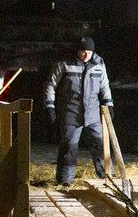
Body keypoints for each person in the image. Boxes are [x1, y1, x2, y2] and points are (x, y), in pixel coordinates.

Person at [44, 36, 114, 185]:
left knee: (99, 144)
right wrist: (49, 105)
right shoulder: (64, 63)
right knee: (69, 147)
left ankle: (106, 176)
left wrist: (109, 103)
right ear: (77, 51)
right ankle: (65, 180)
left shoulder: (99, 63)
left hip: (93, 114)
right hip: (70, 113)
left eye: (88, 52)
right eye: (82, 52)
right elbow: (50, 84)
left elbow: (104, 86)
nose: (85, 55)